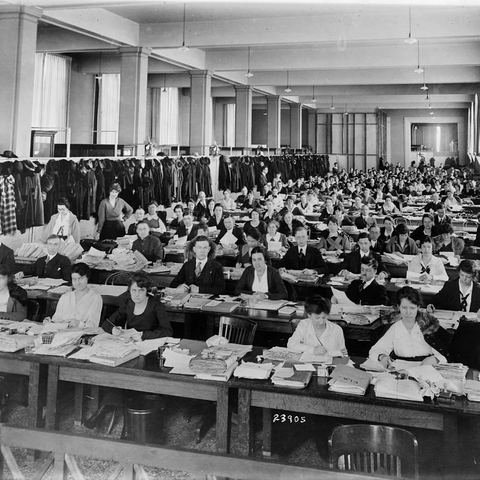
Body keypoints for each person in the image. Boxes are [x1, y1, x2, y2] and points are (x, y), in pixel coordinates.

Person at [369, 286, 450, 367]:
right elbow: (375, 350)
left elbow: (445, 354)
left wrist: (435, 359)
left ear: (418, 307)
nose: (408, 312)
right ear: (398, 307)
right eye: (404, 308)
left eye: (412, 308)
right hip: (400, 368)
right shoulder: (395, 328)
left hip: (427, 368)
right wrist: (382, 357)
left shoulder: (429, 326)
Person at [102, 272, 172, 340]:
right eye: (134, 290)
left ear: (146, 291)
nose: (136, 294)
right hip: (132, 342)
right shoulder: (128, 303)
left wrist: (143, 335)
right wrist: (113, 329)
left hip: (151, 342)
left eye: (141, 291)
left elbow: (167, 331)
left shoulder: (155, 304)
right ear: (129, 290)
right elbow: (107, 323)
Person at [45, 263, 103, 328]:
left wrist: (79, 324)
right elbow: (56, 320)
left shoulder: (95, 298)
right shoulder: (65, 297)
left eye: (81, 278)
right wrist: (49, 322)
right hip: (62, 334)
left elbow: (94, 326)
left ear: (87, 277)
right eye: (74, 279)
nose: (77, 283)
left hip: (82, 335)